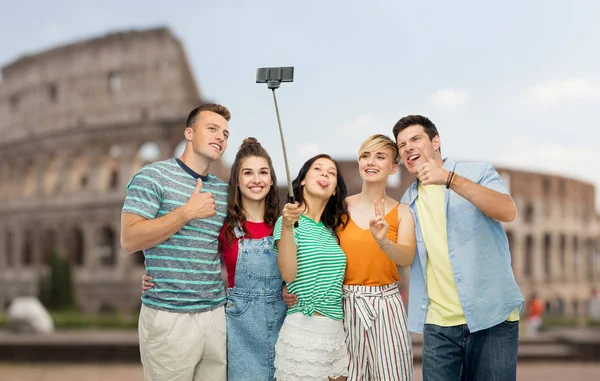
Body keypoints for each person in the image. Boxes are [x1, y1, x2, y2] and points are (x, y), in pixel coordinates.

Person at [143, 137, 287, 380]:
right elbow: (188, 249)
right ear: (237, 181)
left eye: (263, 172)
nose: (256, 179)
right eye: (248, 173)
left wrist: (291, 290)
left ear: (271, 180)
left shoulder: (285, 226)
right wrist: (158, 274)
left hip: (283, 321)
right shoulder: (224, 224)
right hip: (238, 327)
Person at [392, 115, 524, 381]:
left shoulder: (477, 172)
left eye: (415, 139)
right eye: (402, 145)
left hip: (492, 316)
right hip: (439, 324)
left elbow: (507, 211)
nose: (407, 147)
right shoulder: (407, 201)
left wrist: (449, 179)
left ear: (436, 141)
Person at [284, 135, 415, 380]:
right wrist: (290, 285)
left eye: (380, 156)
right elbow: (313, 247)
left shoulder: (403, 212)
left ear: (394, 167)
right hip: (344, 305)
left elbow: (406, 258)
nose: (371, 162)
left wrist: (383, 241)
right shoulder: (339, 208)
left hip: (386, 305)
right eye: (365, 156)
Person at [121, 104, 231, 381]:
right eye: (212, 129)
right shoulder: (152, 176)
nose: (221, 136)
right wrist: (186, 212)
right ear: (189, 133)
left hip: (215, 314)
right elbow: (130, 239)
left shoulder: (223, 190)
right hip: (169, 316)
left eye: (226, 133)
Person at [274, 154, 350, 381]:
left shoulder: (331, 231)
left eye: (332, 172)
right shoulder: (288, 223)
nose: (325, 173)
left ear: (335, 189)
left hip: (335, 332)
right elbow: (288, 274)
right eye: (317, 168)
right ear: (303, 181)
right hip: (302, 332)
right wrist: (287, 227)